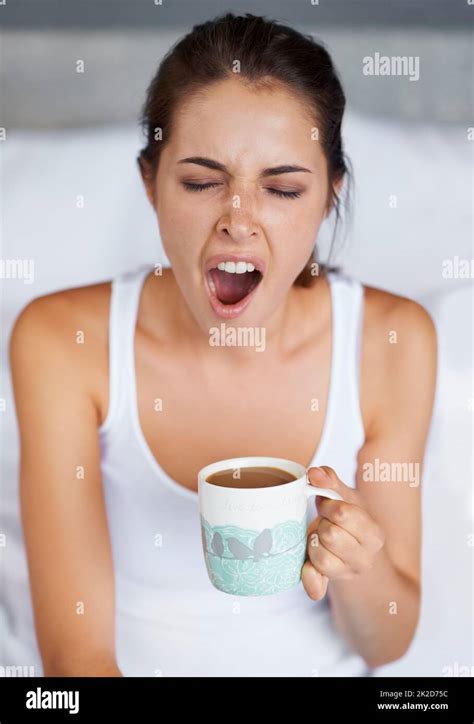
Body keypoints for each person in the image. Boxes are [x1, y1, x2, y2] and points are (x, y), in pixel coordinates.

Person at [10, 13, 437, 677]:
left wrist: (357, 563)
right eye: (202, 182)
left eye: (283, 188)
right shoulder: (61, 342)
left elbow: (384, 644)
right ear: (150, 187)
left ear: (329, 199)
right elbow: (76, 656)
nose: (238, 220)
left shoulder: (393, 343)